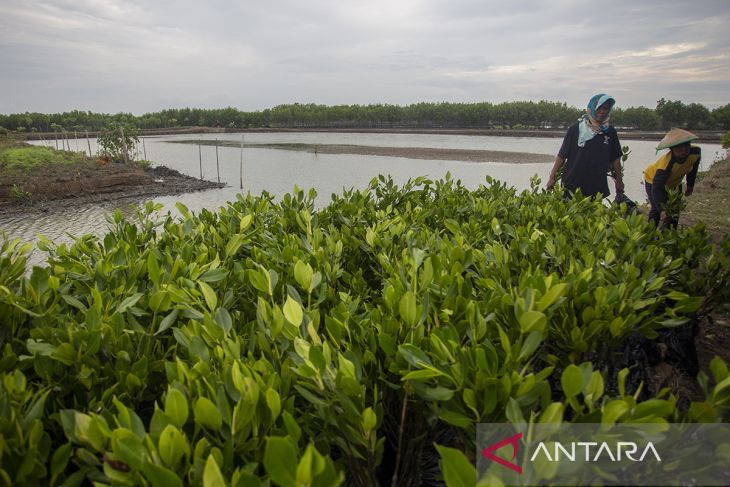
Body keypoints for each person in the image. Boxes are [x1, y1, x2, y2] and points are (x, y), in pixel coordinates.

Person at [547, 94, 624, 199]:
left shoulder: (610, 132)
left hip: (596, 186)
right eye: (599, 108)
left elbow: (616, 159)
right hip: (572, 184)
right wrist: (552, 177)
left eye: (605, 108)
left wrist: (619, 181)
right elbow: (562, 155)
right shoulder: (575, 130)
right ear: (592, 108)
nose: (602, 111)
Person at [643, 128, 701, 228]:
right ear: (672, 149)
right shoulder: (666, 165)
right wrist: (662, 210)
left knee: (674, 210)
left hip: (674, 183)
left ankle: (669, 235)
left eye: (686, 146)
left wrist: (690, 185)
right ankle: (649, 234)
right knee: (657, 210)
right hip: (652, 180)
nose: (683, 151)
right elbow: (656, 189)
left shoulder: (695, 152)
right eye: (679, 148)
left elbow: (693, 167)